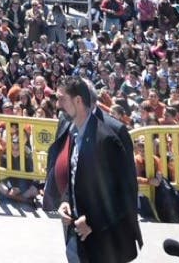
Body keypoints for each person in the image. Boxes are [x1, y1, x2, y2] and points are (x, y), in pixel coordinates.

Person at [42, 76, 141, 263]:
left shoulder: (108, 137)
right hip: (76, 229)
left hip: (105, 236)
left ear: (78, 101)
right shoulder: (73, 130)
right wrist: (65, 201)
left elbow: (123, 190)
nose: (58, 105)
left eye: (62, 99)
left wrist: (92, 222)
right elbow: (73, 175)